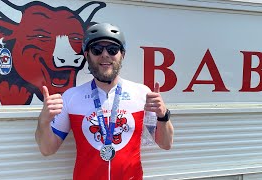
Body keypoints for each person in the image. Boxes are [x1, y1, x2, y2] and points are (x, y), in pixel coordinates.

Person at [35, 23, 174, 180]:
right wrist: (43, 121)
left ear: (122, 54)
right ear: (87, 55)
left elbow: (166, 144)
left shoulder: (142, 93)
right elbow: (47, 149)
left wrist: (163, 116)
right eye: (97, 50)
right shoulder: (71, 97)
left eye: (113, 50)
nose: (105, 55)